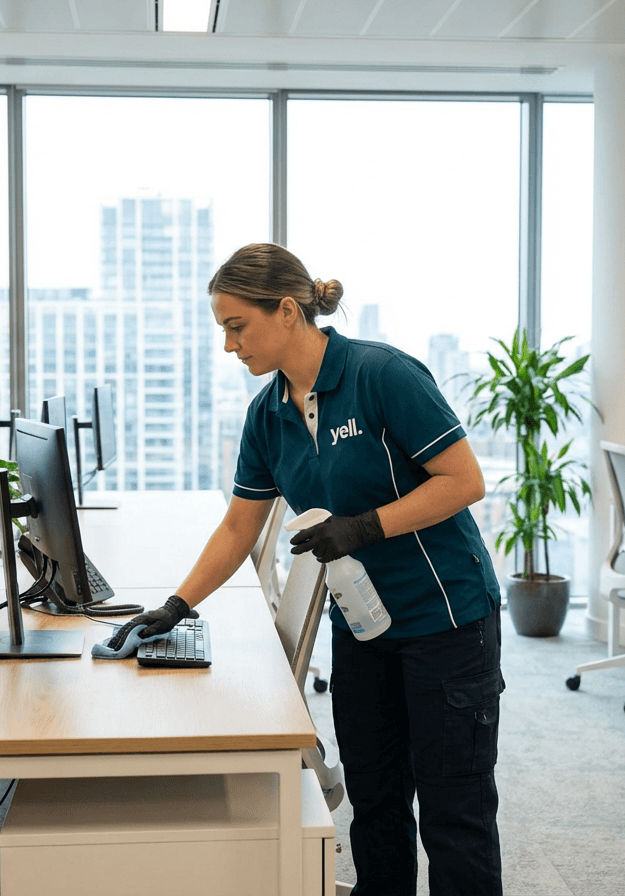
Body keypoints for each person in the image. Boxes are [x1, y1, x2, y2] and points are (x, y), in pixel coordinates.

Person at [108, 243, 504, 896]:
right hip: (364, 628)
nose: (229, 345)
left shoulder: (381, 375)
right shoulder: (267, 416)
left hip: (447, 621)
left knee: (453, 813)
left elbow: (464, 481)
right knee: (375, 804)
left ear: (288, 311)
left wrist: (364, 526)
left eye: (238, 326)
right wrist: (177, 606)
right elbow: (239, 527)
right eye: (224, 330)